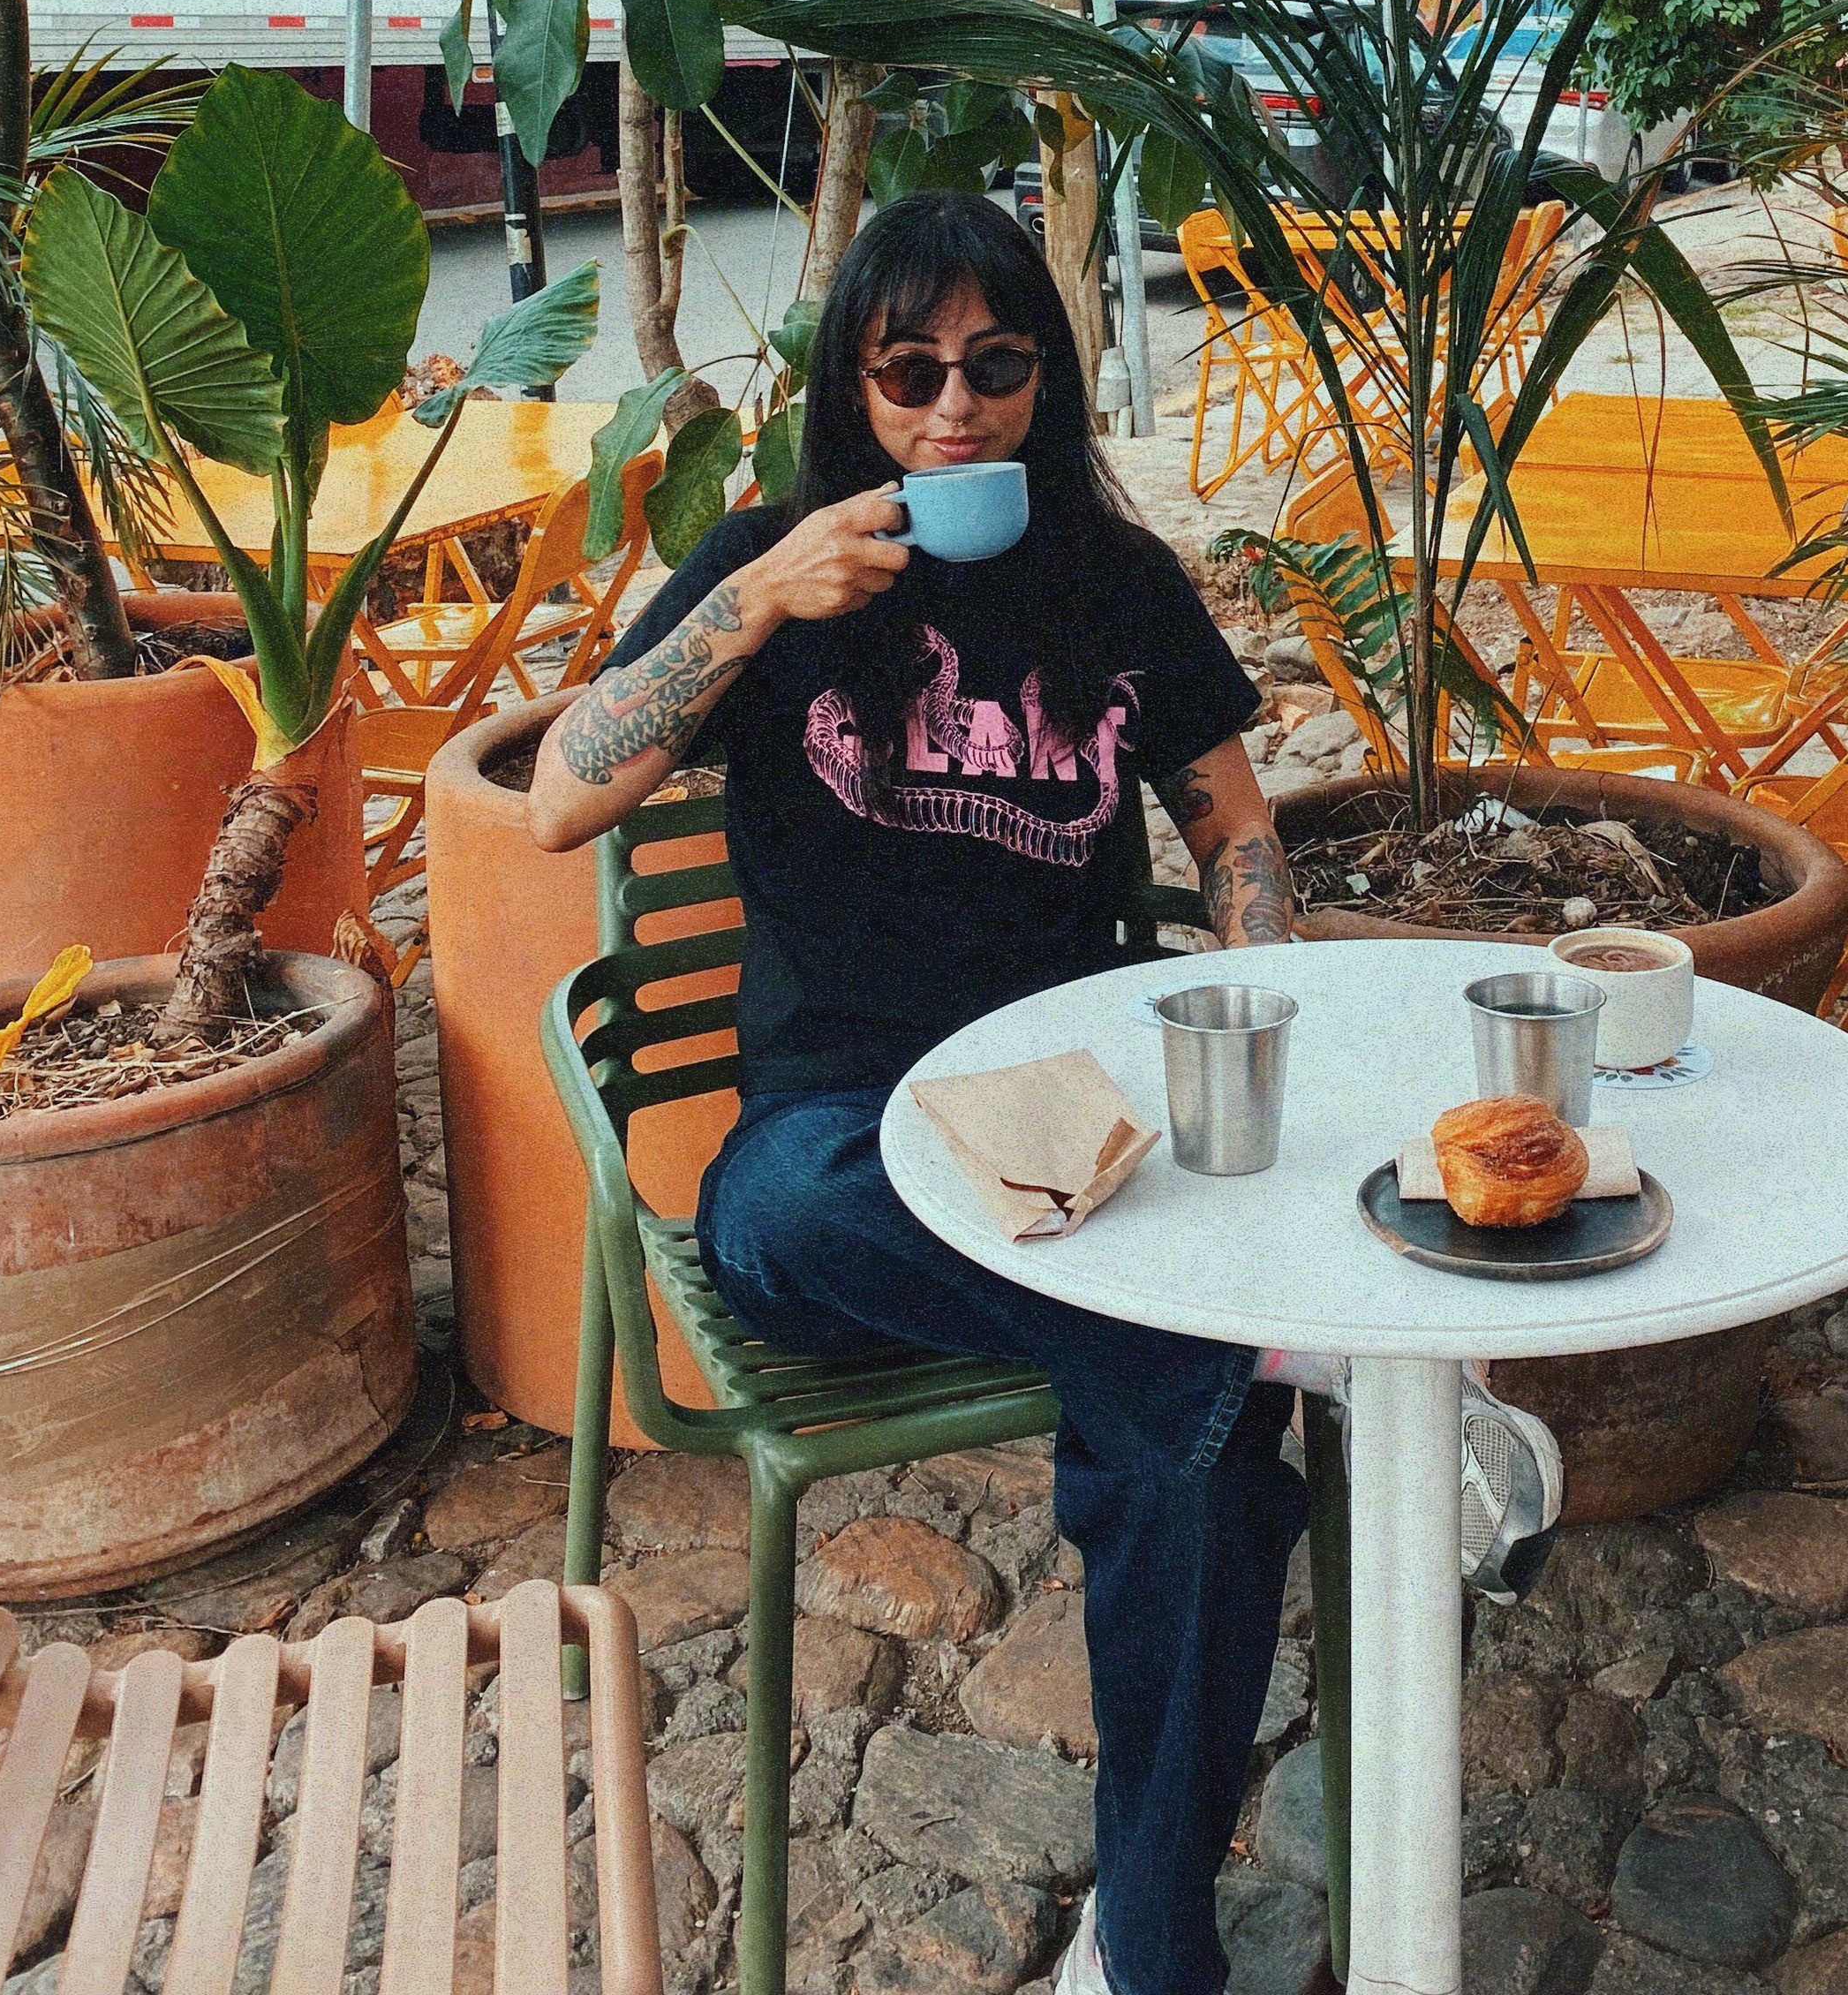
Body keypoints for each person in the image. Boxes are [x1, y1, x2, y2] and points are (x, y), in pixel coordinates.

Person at [526, 191, 1560, 1995]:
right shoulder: (770, 564)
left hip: (1087, 1146)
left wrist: (1244, 1003)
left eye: (996, 370)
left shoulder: (1110, 580)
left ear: (1047, 379)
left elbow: (1231, 821)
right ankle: (1285, 1355)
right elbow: (560, 792)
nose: (954, 413)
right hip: (842, 1153)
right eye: (909, 373)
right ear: (855, 389)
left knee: (1203, 1472)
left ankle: (1145, 1948)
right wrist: (759, 602)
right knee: (786, 1211)